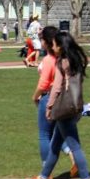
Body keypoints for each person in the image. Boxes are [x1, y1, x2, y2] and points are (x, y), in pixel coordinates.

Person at [25, 30, 90, 179]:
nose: (53, 47)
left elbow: (56, 88)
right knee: (55, 145)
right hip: (74, 106)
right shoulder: (76, 60)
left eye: (55, 44)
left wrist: (49, 107)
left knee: (75, 146)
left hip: (63, 108)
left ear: (60, 46)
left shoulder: (62, 62)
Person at [31, 27, 61, 165]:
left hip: (48, 96)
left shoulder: (49, 59)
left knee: (44, 135)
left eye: (42, 39)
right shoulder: (63, 57)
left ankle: (46, 168)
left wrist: (35, 96)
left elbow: (43, 84)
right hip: (62, 97)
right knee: (60, 133)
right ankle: (75, 159)